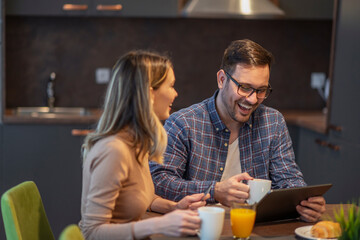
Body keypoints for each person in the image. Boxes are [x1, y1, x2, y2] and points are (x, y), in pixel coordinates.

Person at [150, 39, 326, 222]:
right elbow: (159, 181)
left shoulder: (273, 122)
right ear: (221, 79)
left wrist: (305, 202)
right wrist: (214, 191)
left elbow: (288, 178)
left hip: (256, 229)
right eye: (244, 87)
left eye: (261, 90)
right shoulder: (183, 123)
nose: (252, 99)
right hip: (200, 227)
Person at [79, 50, 209, 240]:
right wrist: (158, 224)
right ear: (150, 93)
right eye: (171, 86)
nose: (176, 93)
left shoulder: (136, 144)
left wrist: (174, 207)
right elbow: (91, 232)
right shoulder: (114, 151)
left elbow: (140, 197)